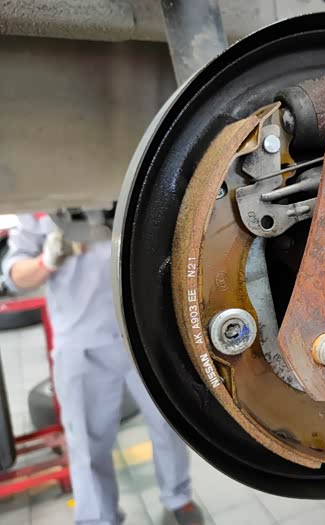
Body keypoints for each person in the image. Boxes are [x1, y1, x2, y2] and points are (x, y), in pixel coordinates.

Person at [2, 214, 202, 525]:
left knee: (169, 423)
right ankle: (98, 518)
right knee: (86, 441)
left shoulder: (122, 189)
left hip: (144, 333)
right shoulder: (40, 208)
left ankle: (178, 497)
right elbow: (14, 276)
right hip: (82, 342)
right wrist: (48, 259)